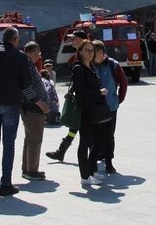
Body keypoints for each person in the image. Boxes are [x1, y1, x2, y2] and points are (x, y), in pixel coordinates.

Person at [0, 27, 38, 197]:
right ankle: (5, 184)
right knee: (8, 145)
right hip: (10, 103)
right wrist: (36, 101)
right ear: (16, 39)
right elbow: (26, 84)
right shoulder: (20, 57)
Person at [71, 41, 111, 186]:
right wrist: (98, 92)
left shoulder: (92, 67)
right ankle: (85, 175)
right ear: (80, 52)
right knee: (85, 142)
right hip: (86, 111)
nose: (90, 53)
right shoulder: (79, 69)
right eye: (87, 50)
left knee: (100, 140)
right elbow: (80, 92)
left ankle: (92, 169)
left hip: (96, 110)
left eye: (92, 50)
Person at [46, 31, 89, 162]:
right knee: (74, 126)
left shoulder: (87, 55)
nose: (71, 41)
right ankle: (61, 151)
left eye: (74, 39)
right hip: (80, 97)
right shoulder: (78, 55)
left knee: (84, 128)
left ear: (81, 40)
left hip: (87, 99)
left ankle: (96, 154)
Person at [92, 41, 128, 173]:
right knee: (94, 135)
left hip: (110, 106)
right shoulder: (90, 65)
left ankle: (109, 162)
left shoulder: (113, 65)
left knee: (109, 135)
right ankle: (94, 161)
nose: (92, 55)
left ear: (101, 53)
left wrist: (119, 99)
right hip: (94, 106)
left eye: (94, 52)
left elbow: (124, 82)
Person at [18, 42, 51, 182]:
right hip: (32, 107)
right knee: (35, 139)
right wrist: (40, 102)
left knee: (30, 138)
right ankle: (31, 170)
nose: (39, 56)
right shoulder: (27, 66)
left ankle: (28, 168)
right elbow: (25, 87)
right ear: (33, 52)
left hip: (31, 107)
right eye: (38, 52)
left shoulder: (28, 65)